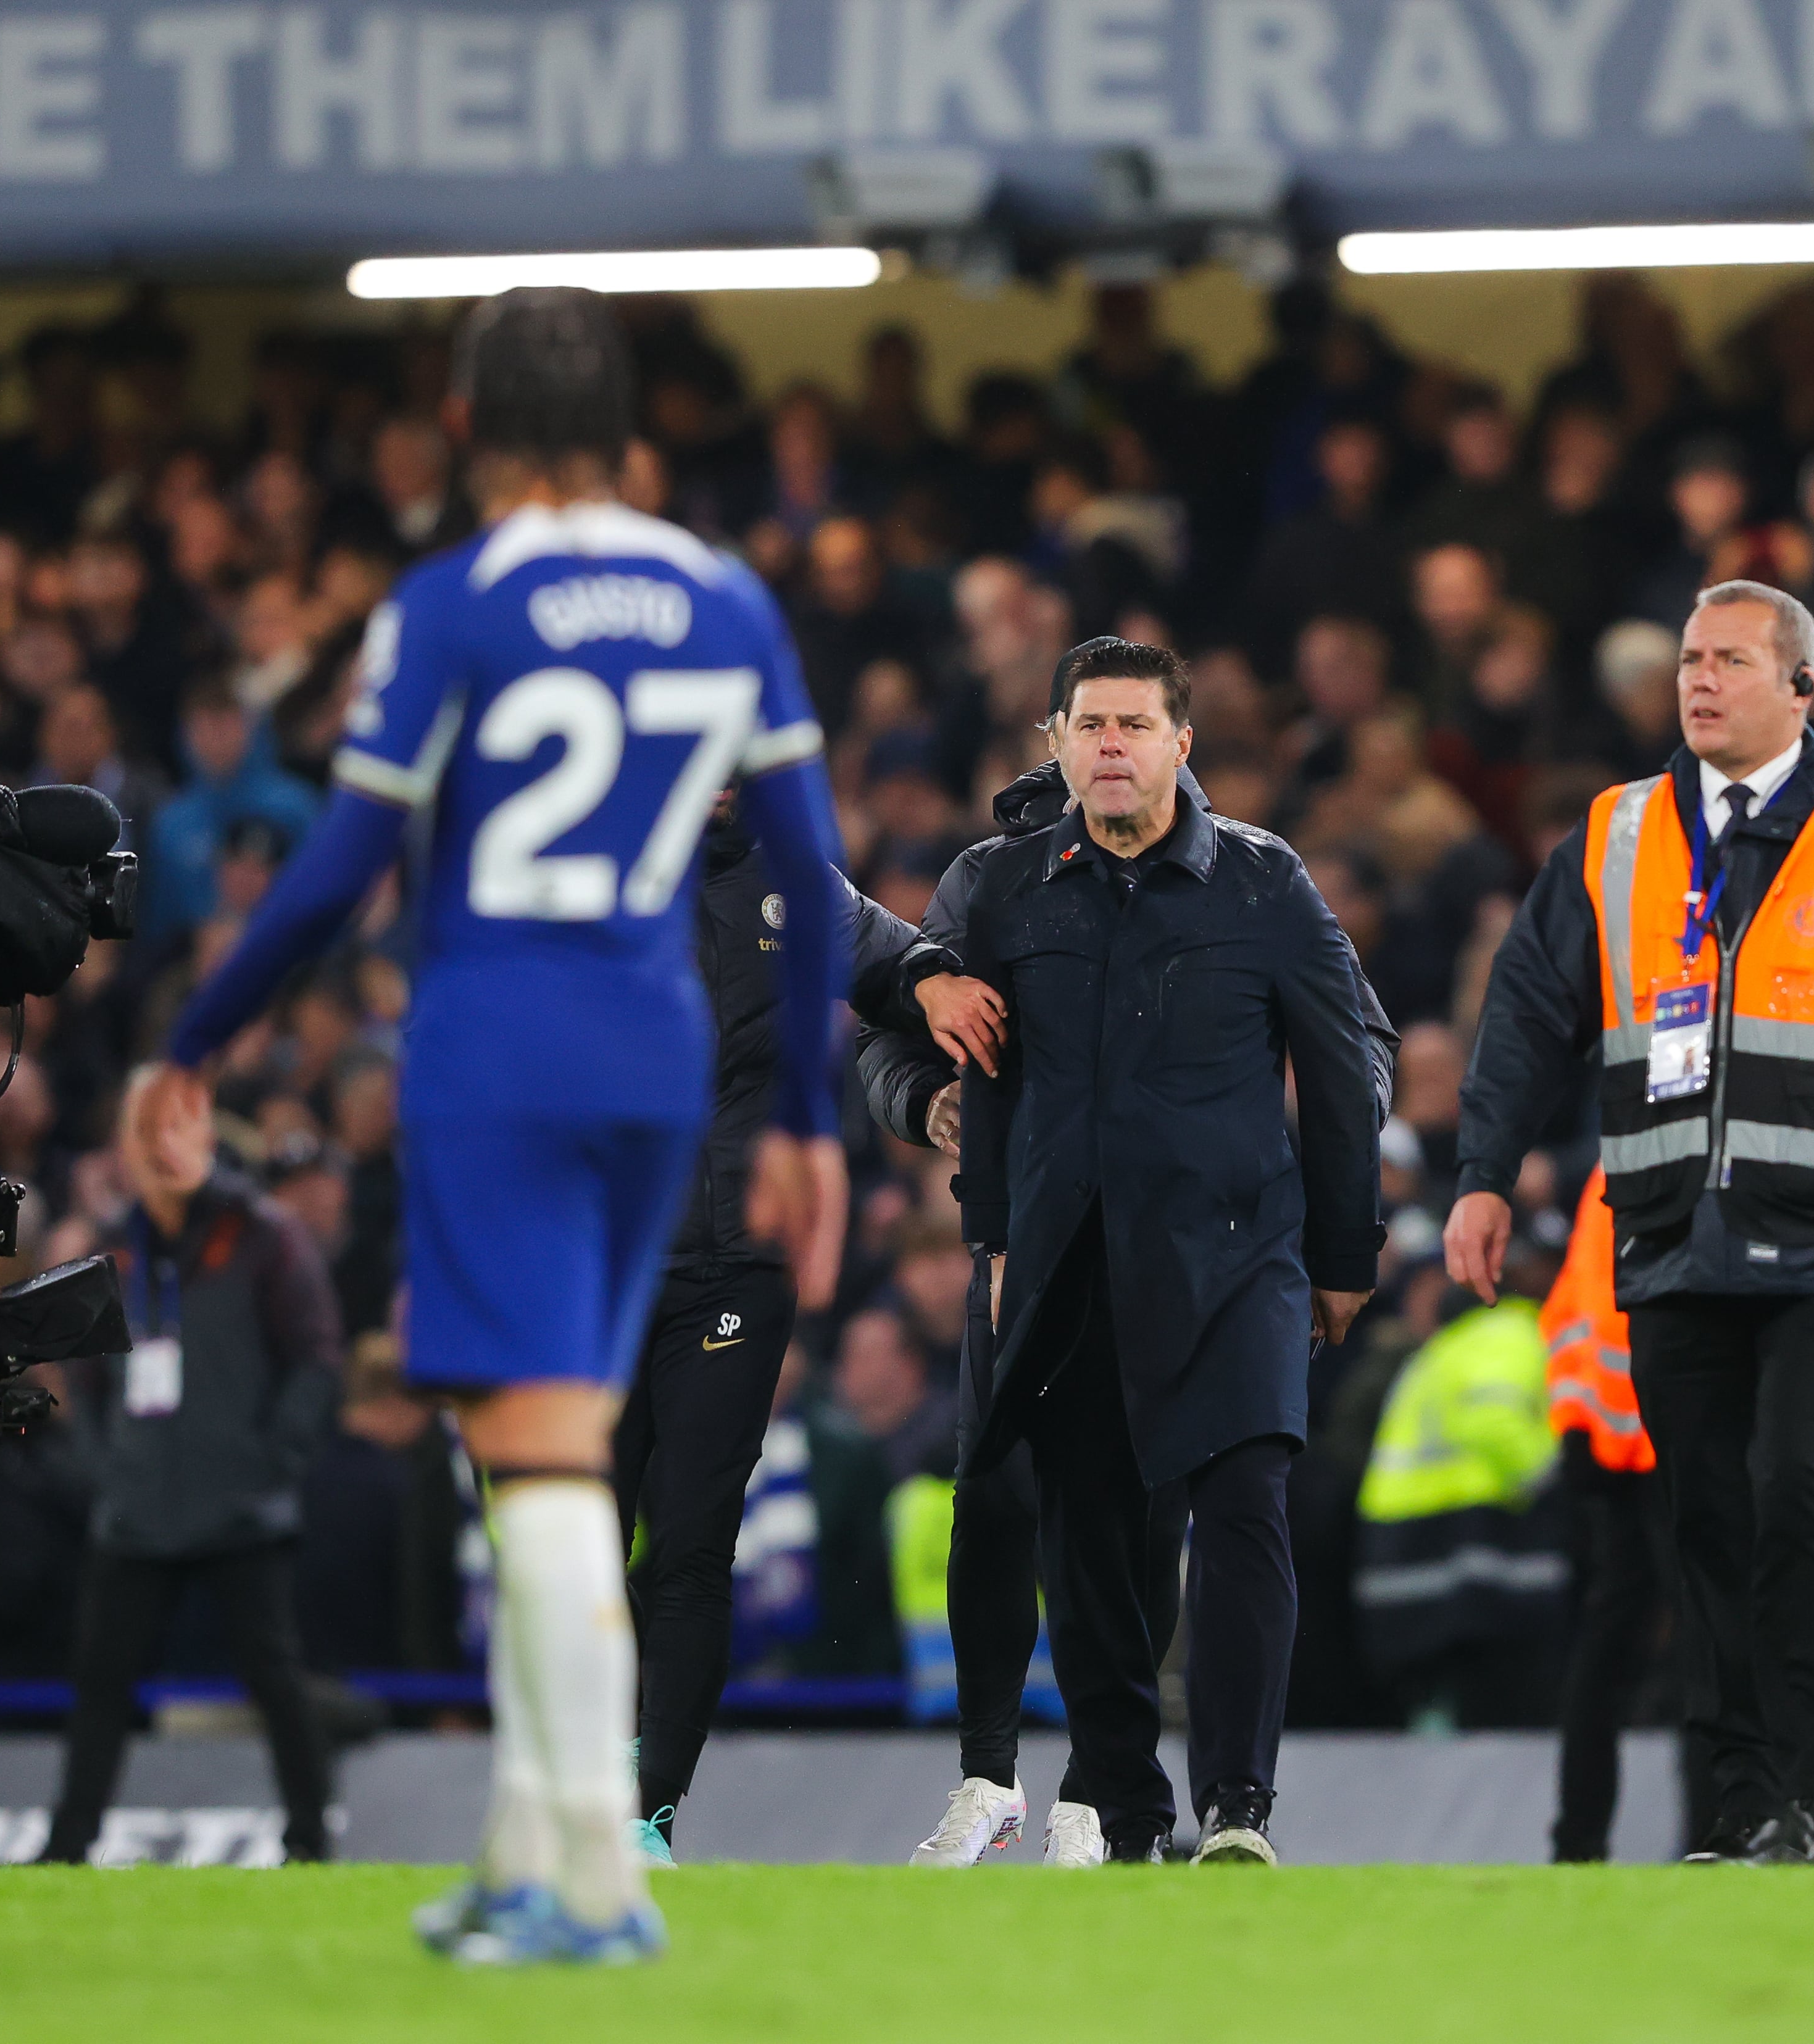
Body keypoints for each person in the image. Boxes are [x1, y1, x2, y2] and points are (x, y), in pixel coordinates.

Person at [141, 287, 847, 1966]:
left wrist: (197, 1037)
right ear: (628, 431)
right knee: (557, 1443)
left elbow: (337, 867)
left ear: (464, 429)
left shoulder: (450, 603)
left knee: (533, 1461)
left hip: (496, 1054)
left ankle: (596, 1877)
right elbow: (812, 887)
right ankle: (529, 1845)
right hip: (658, 1068)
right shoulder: (726, 595)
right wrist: (813, 1116)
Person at [1445, 580, 1814, 1867]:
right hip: (1664, 1238)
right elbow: (1529, 1009)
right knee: (1701, 1517)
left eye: (1730, 661)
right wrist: (1484, 1172)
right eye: (1689, 661)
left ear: (1801, 689)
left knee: (1799, 1485)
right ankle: (1740, 1806)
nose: (1698, 680)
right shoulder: (1616, 832)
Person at [862, 754, 1394, 1867]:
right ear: (1062, 741)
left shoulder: (1256, 879)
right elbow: (892, 1022)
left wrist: (1282, 1168)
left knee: (1164, 1513)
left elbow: (1357, 1041)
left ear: (1174, 744)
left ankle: (1123, 1795)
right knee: (1014, 1500)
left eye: (1131, 724)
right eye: (1090, 726)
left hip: (1214, 1247)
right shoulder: (992, 881)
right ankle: (993, 1772)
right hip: (1034, 1245)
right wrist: (927, 1102)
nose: (1110, 751)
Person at [607, 789, 996, 1867]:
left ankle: (647, 1812)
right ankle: (569, 1793)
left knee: (687, 1545)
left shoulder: (796, 883)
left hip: (739, 1261)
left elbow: (896, 963)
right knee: (579, 1541)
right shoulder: (581, 872)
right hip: (599, 1263)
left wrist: (940, 992)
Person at [38, 1068, 344, 1866]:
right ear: (127, 1151)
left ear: (206, 1137)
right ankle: (68, 1846)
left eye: (176, 1128)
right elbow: (86, 1372)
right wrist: (106, 1465)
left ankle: (311, 1838)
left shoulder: (263, 1235)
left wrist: (272, 1459)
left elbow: (316, 1359)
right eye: (144, 1134)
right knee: (101, 1682)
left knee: (274, 1676)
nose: (160, 1148)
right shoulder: (113, 1245)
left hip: (240, 1500)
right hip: (137, 1502)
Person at [1539, 1163, 1671, 1863]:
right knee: (1709, 1639)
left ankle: (1578, 1841)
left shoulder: (1603, 1172)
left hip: (1606, 1437)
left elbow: (1572, 1314)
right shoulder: (1664, 1157)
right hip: (1663, 1440)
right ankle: (1730, 1829)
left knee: (1608, 1645)